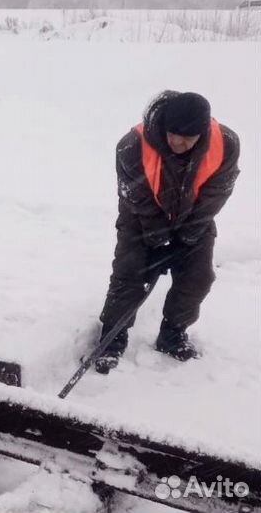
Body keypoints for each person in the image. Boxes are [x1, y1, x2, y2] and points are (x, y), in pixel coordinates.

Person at [95, 91, 240, 375]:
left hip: (196, 218)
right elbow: (136, 197)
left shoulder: (227, 144)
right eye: (173, 134)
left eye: (188, 138)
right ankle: (112, 339)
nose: (178, 142)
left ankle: (172, 334)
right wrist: (158, 237)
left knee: (198, 278)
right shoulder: (132, 145)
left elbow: (217, 193)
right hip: (141, 218)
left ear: (204, 132)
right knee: (129, 274)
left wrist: (187, 235)